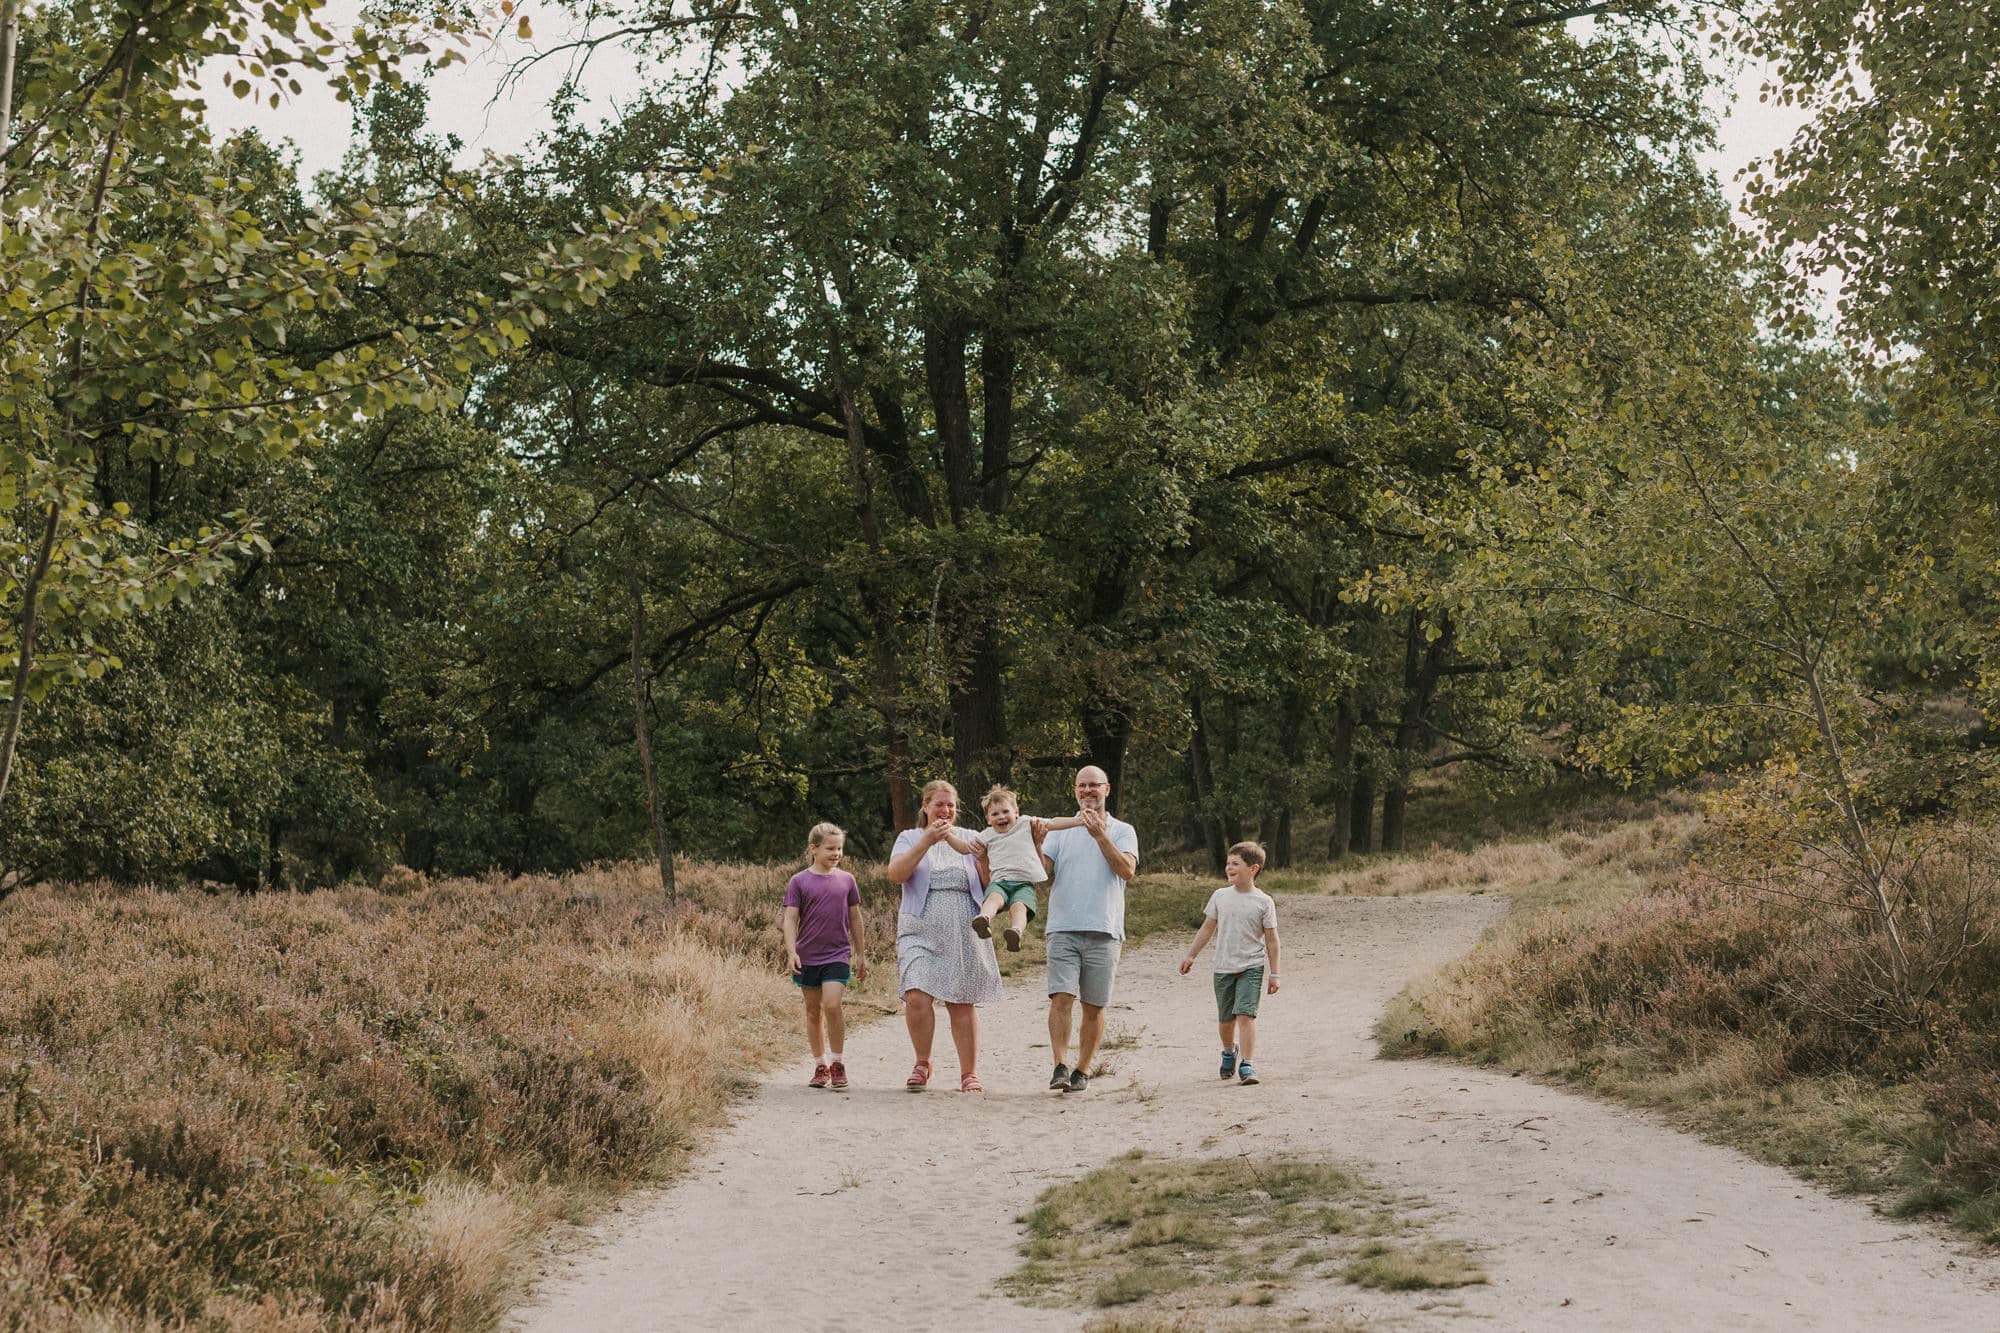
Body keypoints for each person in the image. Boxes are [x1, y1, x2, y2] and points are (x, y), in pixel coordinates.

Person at [886, 780, 1002, 1092]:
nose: (945, 810)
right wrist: (926, 841)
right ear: (925, 807)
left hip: (962, 928)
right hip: (919, 928)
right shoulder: (910, 837)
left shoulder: (971, 837)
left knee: (961, 1001)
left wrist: (984, 859)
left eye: (950, 805)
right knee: (916, 996)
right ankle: (922, 1062)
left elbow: (989, 884)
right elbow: (896, 874)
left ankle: (969, 1073)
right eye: (939, 804)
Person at [1035, 765, 1139, 1093]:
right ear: (1075, 790)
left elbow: (1127, 871)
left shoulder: (1123, 830)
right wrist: (1036, 843)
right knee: (1061, 997)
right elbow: (1041, 873)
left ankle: (1082, 1069)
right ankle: (1059, 1065)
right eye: (1082, 785)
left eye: (1094, 785)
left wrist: (1100, 836)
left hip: (1104, 929)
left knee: (1093, 1006)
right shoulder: (1061, 830)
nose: (1087, 791)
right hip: (1063, 926)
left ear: (1107, 789)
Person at [1178, 840, 1281, 1086]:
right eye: (1228, 863)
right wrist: (1191, 955)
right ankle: (1228, 1051)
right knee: (1226, 1021)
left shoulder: (1264, 902)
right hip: (1223, 967)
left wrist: (1275, 973)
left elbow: (1272, 940)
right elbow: (1207, 928)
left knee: (1245, 1015)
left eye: (1235, 863)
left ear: (1253, 869)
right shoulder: (1220, 896)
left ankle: (1247, 1064)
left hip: (1251, 966)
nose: (1229, 868)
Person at [942, 785, 1083, 952]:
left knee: (1019, 907)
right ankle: (983, 919)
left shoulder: (1025, 823)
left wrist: (1078, 820)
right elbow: (965, 848)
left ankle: (1015, 931)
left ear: (1016, 812)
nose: (1001, 817)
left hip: (1024, 883)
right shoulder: (987, 835)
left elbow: (1052, 823)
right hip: (999, 882)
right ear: (988, 819)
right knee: (993, 899)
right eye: (995, 814)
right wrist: (947, 836)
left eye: (1005, 811)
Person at [782, 822, 868, 1090]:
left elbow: (855, 917)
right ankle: (820, 1065)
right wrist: (791, 952)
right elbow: (790, 918)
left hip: (837, 954)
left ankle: (837, 1063)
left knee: (832, 1005)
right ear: (814, 848)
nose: (836, 853)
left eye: (839, 848)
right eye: (830, 848)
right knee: (812, 1011)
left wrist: (861, 954)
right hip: (808, 956)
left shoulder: (847, 880)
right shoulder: (799, 881)